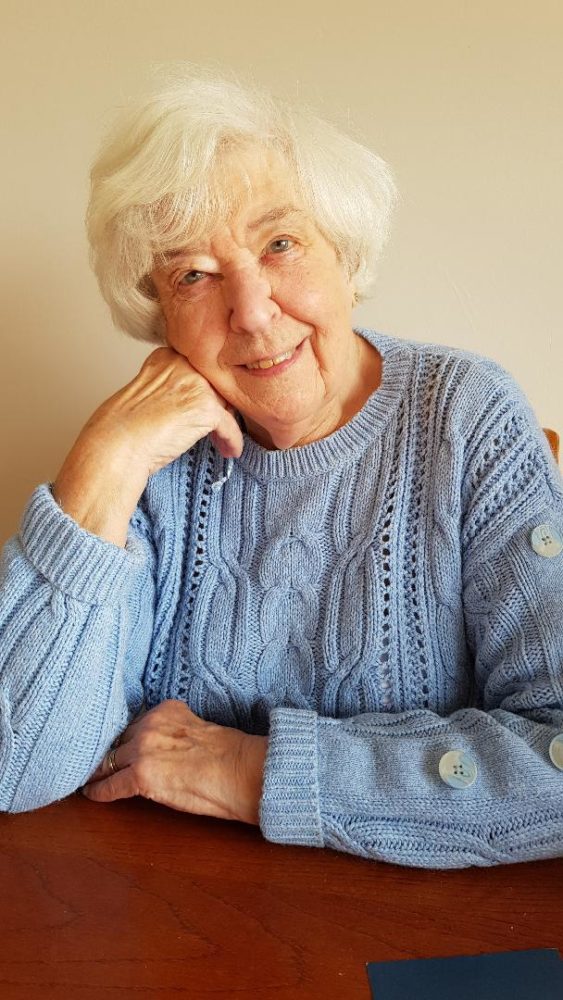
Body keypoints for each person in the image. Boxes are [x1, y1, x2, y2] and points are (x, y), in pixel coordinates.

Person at [1, 69, 562, 869]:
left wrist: (252, 769)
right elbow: (18, 766)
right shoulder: (153, 454)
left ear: (345, 249)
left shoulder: (466, 417)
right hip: (176, 920)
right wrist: (104, 462)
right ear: (160, 316)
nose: (253, 311)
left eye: (279, 243)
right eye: (192, 274)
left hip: (407, 925)